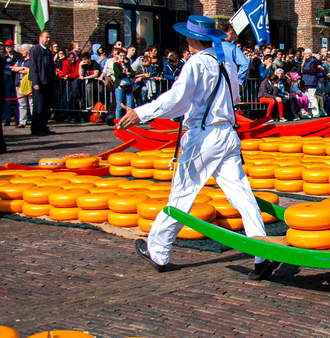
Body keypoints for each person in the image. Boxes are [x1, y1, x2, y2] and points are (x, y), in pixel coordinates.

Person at [117, 15, 279, 280]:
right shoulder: (224, 61)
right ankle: (262, 252)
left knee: (182, 194)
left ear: (192, 40)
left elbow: (177, 99)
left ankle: (157, 250)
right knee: (241, 194)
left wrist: (141, 112)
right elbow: (234, 97)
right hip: (228, 133)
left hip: (205, 137)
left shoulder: (196, 63)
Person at [28, 31, 56, 136]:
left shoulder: (48, 52)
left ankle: (43, 126)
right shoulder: (35, 50)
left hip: (47, 82)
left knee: (46, 107)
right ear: (41, 37)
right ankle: (35, 128)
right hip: (39, 82)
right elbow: (33, 67)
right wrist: (35, 82)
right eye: (46, 37)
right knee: (38, 107)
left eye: (49, 38)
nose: (48, 40)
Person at [10, 43, 33, 128]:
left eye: (23, 50)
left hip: (28, 83)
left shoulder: (31, 60)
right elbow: (13, 68)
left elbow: (30, 70)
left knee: (31, 102)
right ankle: (22, 121)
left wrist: (20, 69)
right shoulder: (20, 60)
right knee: (21, 103)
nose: (21, 52)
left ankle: (34, 119)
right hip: (19, 83)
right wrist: (21, 69)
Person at [300, 49, 321, 117]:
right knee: (307, 97)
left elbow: (313, 71)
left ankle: (316, 112)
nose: (306, 55)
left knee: (312, 97)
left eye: (308, 53)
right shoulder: (305, 61)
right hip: (306, 81)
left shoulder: (313, 61)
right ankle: (310, 112)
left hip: (311, 81)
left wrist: (304, 71)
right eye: (305, 54)